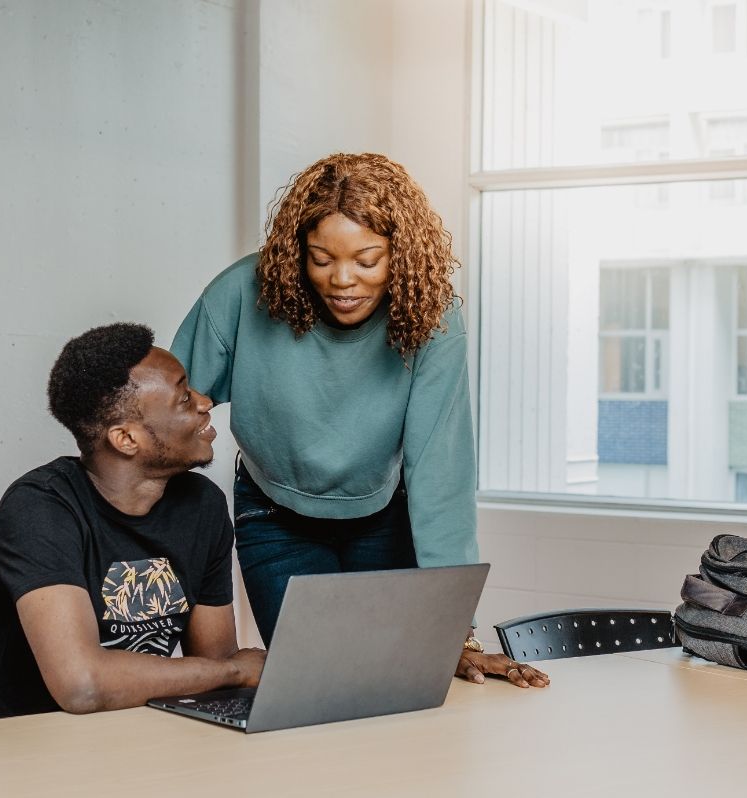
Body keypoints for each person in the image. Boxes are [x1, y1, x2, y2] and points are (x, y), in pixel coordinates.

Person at [172, 153, 548, 688]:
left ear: (401, 254)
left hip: (383, 516)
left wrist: (455, 631)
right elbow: (166, 409)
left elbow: (440, 474)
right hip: (275, 516)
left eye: (367, 259)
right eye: (321, 258)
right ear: (296, 251)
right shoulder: (241, 294)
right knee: (318, 684)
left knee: (396, 681)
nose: (342, 280)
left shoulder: (432, 318)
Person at [0, 323, 265, 720]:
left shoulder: (202, 506)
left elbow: (215, 664)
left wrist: (229, 671)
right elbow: (82, 686)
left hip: (139, 736)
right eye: (183, 397)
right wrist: (231, 671)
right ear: (126, 439)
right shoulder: (39, 509)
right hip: (29, 748)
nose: (205, 401)